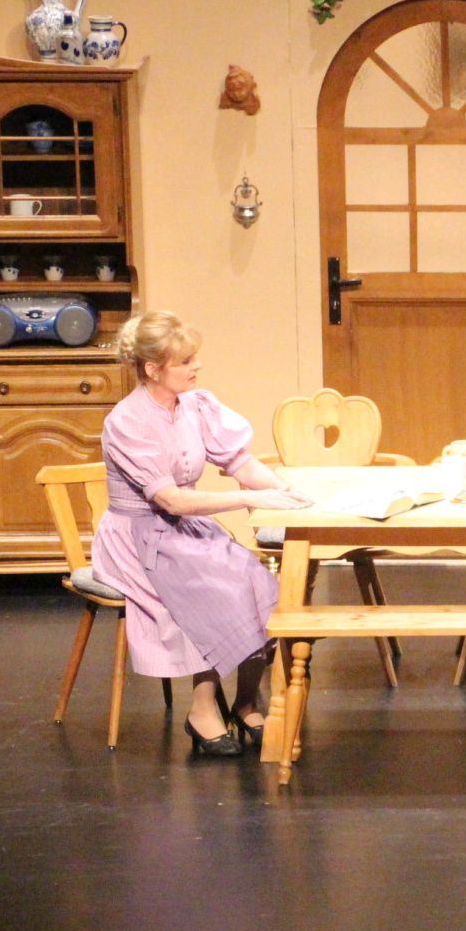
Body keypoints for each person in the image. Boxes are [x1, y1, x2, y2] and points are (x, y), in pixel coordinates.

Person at [92, 311, 312, 757]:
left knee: (260, 584)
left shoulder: (194, 405)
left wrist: (285, 491)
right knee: (212, 590)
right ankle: (203, 708)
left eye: (195, 358)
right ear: (153, 369)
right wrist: (249, 499)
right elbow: (171, 500)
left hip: (185, 530)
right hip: (140, 538)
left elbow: (239, 462)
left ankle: (246, 702)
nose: (197, 367)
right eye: (185, 361)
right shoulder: (128, 421)